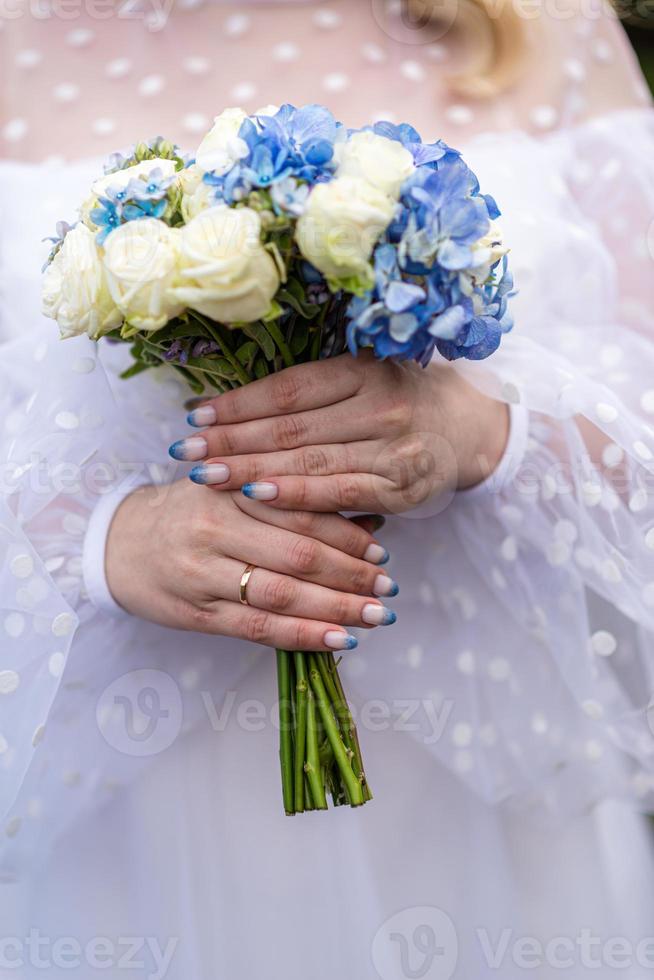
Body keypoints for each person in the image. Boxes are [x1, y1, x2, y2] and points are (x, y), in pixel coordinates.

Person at [2, 2, 654, 977]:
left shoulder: (547, 21)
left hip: (483, 801)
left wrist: (487, 426)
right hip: (121, 815)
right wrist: (94, 537)